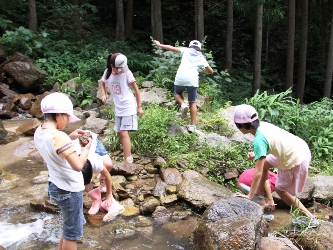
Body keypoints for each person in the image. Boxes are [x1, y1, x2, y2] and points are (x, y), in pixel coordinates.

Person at [233, 104, 319, 228]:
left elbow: (257, 172)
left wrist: (249, 196)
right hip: (300, 147)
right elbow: (274, 142)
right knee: (266, 165)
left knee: (280, 190)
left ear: (242, 126)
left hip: (294, 157)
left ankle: (310, 217)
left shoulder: (258, 140)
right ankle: (259, 193)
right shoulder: (263, 126)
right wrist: (257, 153)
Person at [34, 92, 92, 250]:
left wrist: (69, 137)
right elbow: (78, 165)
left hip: (55, 186)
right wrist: (85, 149)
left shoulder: (39, 132)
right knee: (72, 235)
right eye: (66, 117)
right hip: (69, 189)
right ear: (58, 115)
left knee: (68, 229)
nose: (67, 121)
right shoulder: (59, 137)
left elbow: (54, 146)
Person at [153, 39, 214, 132]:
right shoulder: (201, 57)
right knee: (193, 102)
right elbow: (211, 71)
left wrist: (159, 44)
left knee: (177, 93)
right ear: (199, 48)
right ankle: (192, 126)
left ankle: (182, 104)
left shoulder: (186, 50)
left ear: (190, 46)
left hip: (181, 77)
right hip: (192, 80)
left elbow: (172, 48)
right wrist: (203, 68)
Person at [99, 53, 144, 164]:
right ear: (111, 65)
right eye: (117, 68)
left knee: (124, 132)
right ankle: (126, 153)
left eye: (121, 68)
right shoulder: (107, 72)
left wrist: (139, 107)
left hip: (128, 106)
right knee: (119, 132)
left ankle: (128, 160)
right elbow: (102, 82)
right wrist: (103, 94)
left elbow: (136, 90)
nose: (120, 70)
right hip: (118, 107)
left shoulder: (127, 73)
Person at [73, 131, 124, 221]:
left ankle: (101, 179)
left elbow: (108, 175)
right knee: (84, 181)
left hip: (93, 142)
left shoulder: (94, 160)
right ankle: (96, 199)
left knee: (108, 165)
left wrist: (109, 194)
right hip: (79, 146)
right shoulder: (71, 160)